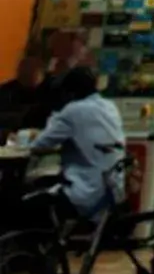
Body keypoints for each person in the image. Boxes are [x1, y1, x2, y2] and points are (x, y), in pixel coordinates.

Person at [29, 66, 125, 219]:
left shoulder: (73, 110)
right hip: (112, 191)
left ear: (70, 92)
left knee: (24, 205)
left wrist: (56, 113)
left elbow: (39, 145)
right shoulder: (110, 106)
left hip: (84, 194)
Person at [0, 52, 47, 139]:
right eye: (24, 72)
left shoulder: (50, 91)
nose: (26, 74)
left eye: (31, 72)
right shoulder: (7, 90)